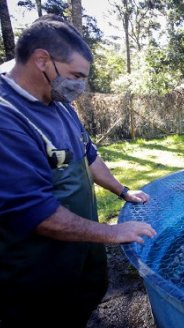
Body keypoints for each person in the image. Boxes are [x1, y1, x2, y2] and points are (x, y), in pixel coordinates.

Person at [0, 20, 157, 328]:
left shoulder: (60, 103)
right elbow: (34, 212)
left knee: (81, 308)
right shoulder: (7, 118)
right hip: (35, 268)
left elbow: (88, 155)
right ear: (42, 60)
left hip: (79, 249)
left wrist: (122, 191)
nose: (80, 87)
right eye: (75, 76)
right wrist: (112, 232)